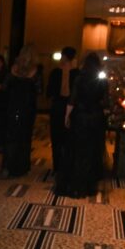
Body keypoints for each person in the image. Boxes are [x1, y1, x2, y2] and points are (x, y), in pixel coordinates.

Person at [65, 52, 109, 198]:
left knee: (78, 151)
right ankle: (90, 186)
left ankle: (77, 185)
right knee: (92, 152)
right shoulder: (101, 80)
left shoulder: (79, 78)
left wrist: (67, 116)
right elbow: (106, 103)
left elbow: (72, 100)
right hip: (95, 118)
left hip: (81, 117)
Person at [2, 44, 38, 177]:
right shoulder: (35, 71)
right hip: (27, 108)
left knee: (11, 136)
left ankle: (8, 165)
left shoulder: (14, 69)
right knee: (24, 137)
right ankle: (21, 166)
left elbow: (5, 87)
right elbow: (39, 90)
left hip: (13, 106)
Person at [46, 46, 79, 194]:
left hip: (68, 107)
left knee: (64, 138)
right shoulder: (57, 72)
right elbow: (50, 90)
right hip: (62, 106)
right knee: (59, 136)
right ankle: (59, 166)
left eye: (63, 55)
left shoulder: (75, 73)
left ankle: (62, 166)